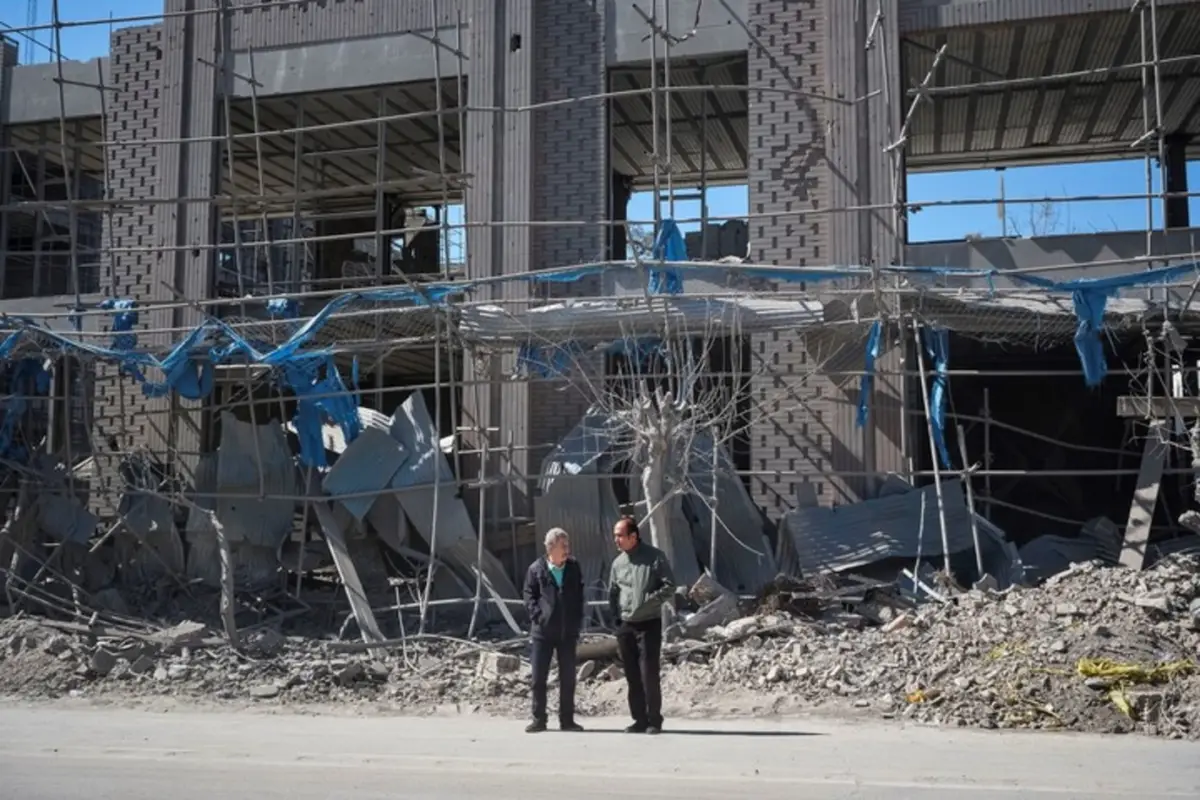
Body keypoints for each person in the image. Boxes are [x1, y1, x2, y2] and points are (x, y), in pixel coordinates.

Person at [608, 515, 675, 734]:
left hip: (649, 624)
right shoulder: (618, 564)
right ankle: (638, 719)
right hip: (626, 625)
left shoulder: (654, 557)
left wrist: (649, 602)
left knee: (649, 673)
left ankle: (654, 720)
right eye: (615, 536)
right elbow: (613, 593)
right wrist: (616, 620)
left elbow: (669, 586)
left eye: (620, 535)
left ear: (633, 536)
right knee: (632, 674)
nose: (616, 540)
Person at [523, 527, 585, 733]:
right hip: (543, 634)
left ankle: (567, 720)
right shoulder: (536, 569)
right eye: (563, 546)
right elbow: (529, 597)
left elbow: (579, 596)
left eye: (568, 546)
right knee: (539, 678)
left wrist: (577, 620)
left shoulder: (573, 568)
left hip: (567, 633)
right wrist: (539, 617)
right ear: (551, 548)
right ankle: (539, 719)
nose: (567, 550)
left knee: (568, 678)